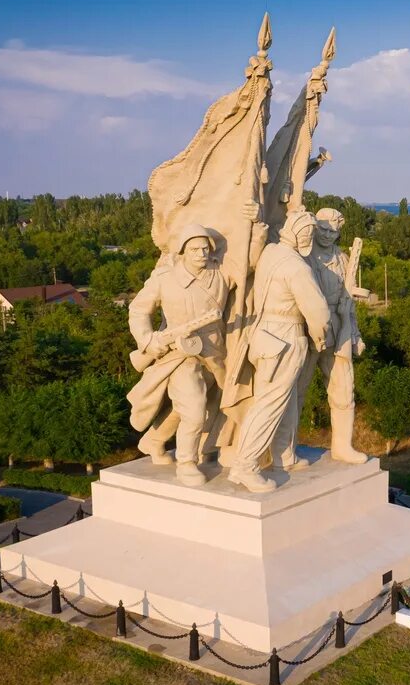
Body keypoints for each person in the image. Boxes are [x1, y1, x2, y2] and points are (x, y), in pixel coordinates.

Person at [227, 211, 331, 493]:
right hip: (285, 336)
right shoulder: (296, 266)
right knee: (270, 403)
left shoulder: (271, 252)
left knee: (286, 401)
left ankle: (283, 455)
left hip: (265, 336)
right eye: (307, 233)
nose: (310, 238)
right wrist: (321, 336)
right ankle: (245, 464)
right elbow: (318, 311)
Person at [126, 224, 231, 486]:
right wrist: (148, 340)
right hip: (179, 355)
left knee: (187, 407)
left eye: (205, 248)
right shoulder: (164, 278)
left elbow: (249, 264)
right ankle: (186, 462)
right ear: (182, 251)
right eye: (194, 249)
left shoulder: (221, 274)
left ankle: (154, 440)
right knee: (194, 410)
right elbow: (138, 310)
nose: (201, 254)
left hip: (215, 356)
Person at [274, 207, 367, 469]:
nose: (326, 235)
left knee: (343, 388)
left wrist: (356, 334)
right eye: (322, 229)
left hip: (339, 329)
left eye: (332, 230)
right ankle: (285, 448)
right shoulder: (302, 257)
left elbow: (350, 304)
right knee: (296, 390)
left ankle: (342, 446)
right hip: (308, 328)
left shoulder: (343, 259)